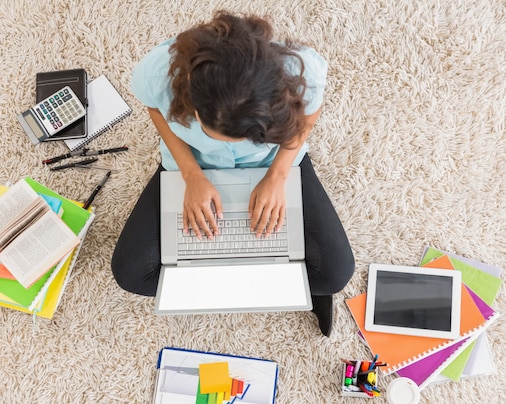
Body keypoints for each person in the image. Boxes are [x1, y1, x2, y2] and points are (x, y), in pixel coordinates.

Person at [111, 11, 354, 336]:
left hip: (275, 166)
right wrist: (192, 175)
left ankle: (267, 280)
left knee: (337, 274)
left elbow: (309, 114)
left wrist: (278, 175)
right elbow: (154, 109)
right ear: (194, 107)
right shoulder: (155, 73)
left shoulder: (300, 70)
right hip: (190, 166)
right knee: (130, 274)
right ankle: (268, 279)